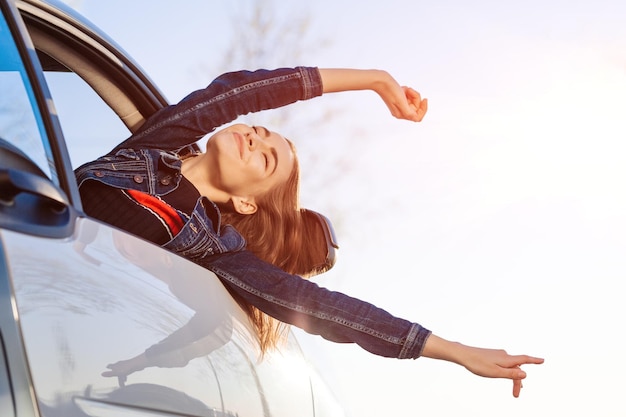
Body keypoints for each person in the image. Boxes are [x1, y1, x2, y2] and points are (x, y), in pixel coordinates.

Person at [75, 66, 543, 398]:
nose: (255, 139)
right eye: (259, 132)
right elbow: (247, 90)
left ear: (246, 202)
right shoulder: (155, 146)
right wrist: (375, 80)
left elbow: (322, 308)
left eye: (266, 159)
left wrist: (454, 351)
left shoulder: (214, 250)